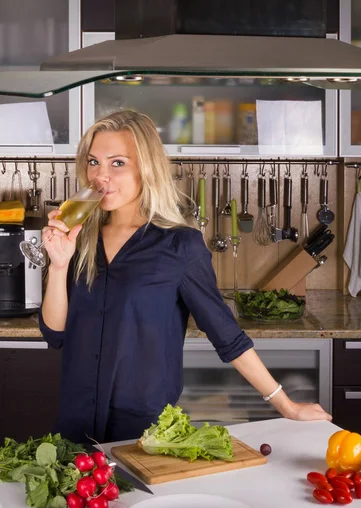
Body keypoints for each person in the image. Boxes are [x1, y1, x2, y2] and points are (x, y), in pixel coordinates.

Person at [39, 110, 331, 444]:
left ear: (146, 168)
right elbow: (55, 333)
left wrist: (286, 405)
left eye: (117, 163)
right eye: (93, 162)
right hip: (76, 422)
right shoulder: (79, 238)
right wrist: (59, 265)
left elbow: (227, 335)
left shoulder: (179, 245)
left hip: (142, 433)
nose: (100, 176)